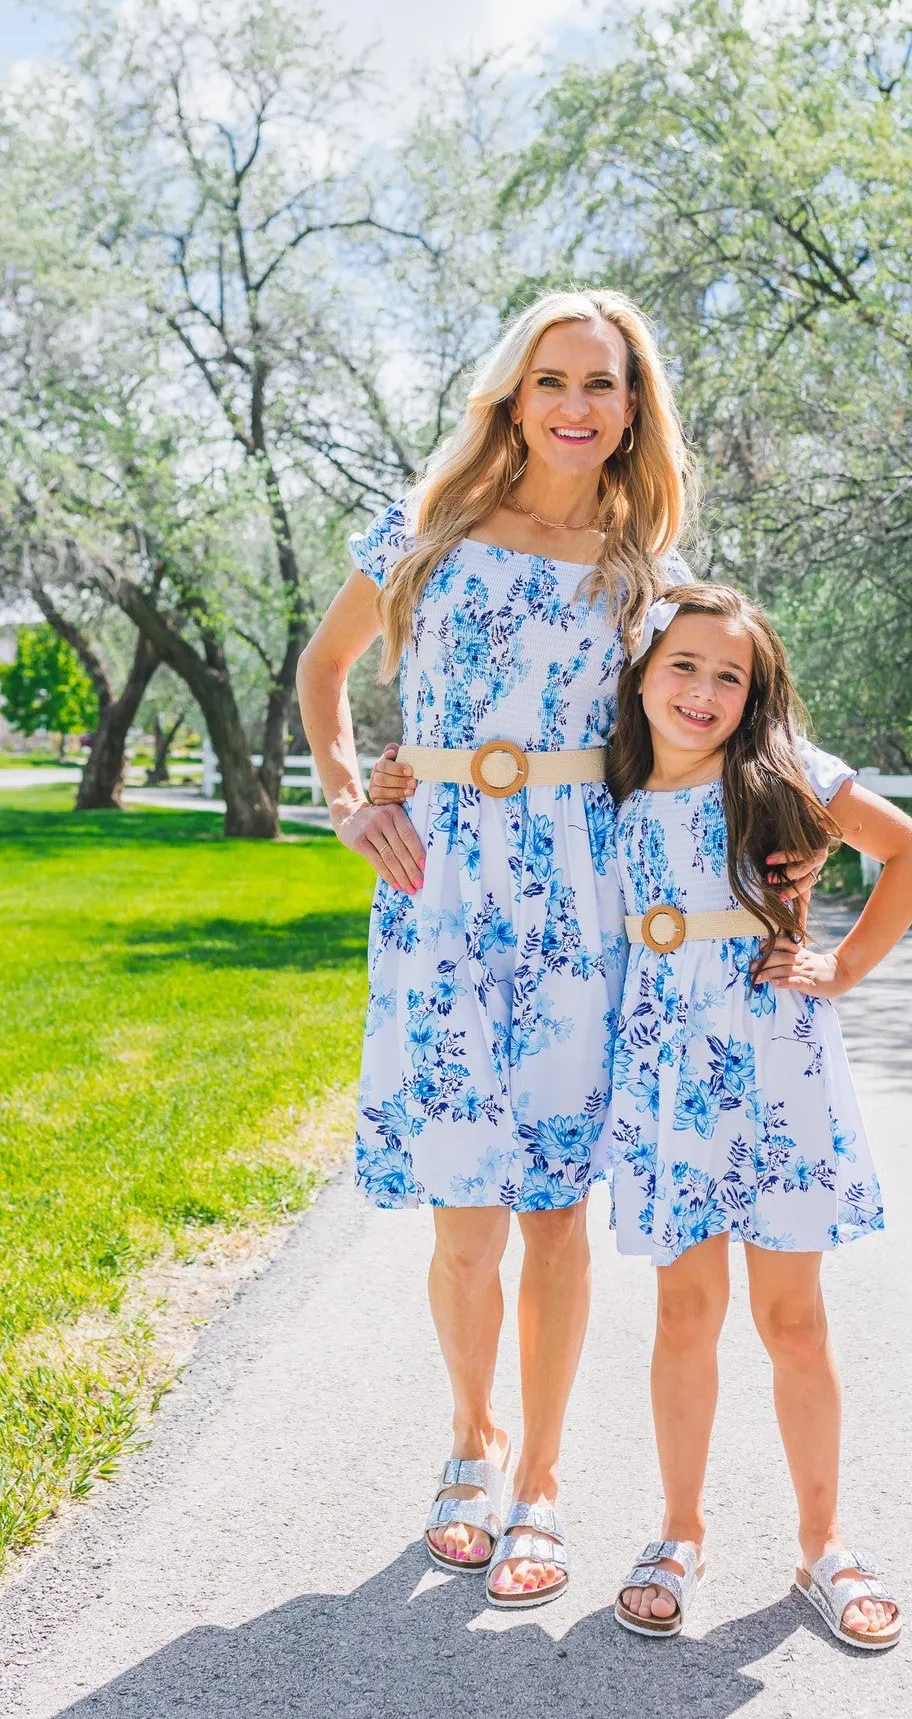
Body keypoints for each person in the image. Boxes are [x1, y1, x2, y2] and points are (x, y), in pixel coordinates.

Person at [297, 291, 831, 1609]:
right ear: (514, 395)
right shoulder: (424, 530)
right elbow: (324, 670)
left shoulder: (640, 572)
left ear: (633, 408)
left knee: (554, 1214)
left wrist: (792, 833)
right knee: (464, 1212)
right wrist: (345, 792)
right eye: (555, 381)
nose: (578, 406)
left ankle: (541, 1480)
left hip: (580, 901)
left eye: (604, 384)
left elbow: (715, 718)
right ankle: (469, 1441)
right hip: (438, 891)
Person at [602, 582, 912, 1648]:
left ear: (755, 695)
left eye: (729, 676)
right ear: (644, 673)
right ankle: (678, 1533)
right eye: (684, 666)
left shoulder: (785, 777)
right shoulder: (606, 787)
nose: (702, 691)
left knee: (792, 1320)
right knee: (683, 1315)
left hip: (776, 1077)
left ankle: (823, 1544)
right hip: (667, 1082)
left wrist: (839, 966)